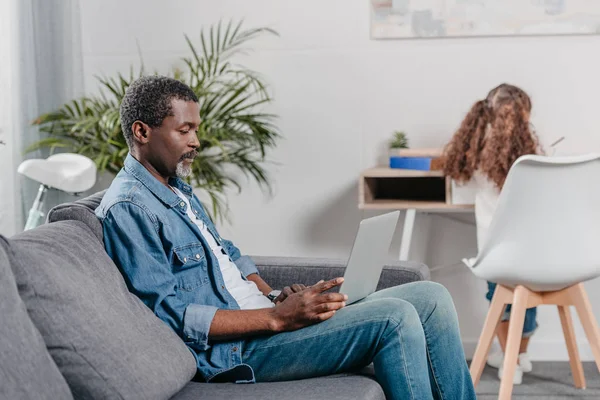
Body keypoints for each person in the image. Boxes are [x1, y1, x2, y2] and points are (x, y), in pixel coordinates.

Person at [96, 75, 476, 400]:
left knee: (431, 296)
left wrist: (274, 294)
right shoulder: (129, 207)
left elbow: (225, 255)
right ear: (142, 131)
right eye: (184, 130)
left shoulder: (175, 187)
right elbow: (171, 315)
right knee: (395, 318)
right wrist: (277, 318)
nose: (196, 141)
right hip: (239, 351)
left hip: (264, 315)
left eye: (196, 129)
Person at [443, 83, 543, 384]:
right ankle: (518, 356)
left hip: (494, 248)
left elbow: (458, 180)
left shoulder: (476, 150)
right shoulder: (531, 154)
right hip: (536, 249)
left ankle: (509, 358)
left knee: (499, 297)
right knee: (529, 297)